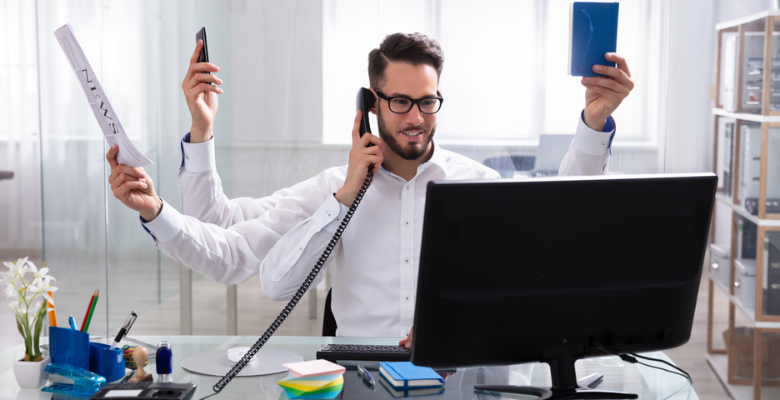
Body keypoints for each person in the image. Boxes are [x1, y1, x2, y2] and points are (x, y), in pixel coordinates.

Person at [106, 33, 633, 345]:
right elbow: (228, 246)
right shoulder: (335, 188)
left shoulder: (479, 186)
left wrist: (592, 126)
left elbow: (564, 229)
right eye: (399, 102)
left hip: (458, 376)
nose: (415, 118)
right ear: (371, 104)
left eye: (427, 102)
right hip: (359, 379)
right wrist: (157, 205)